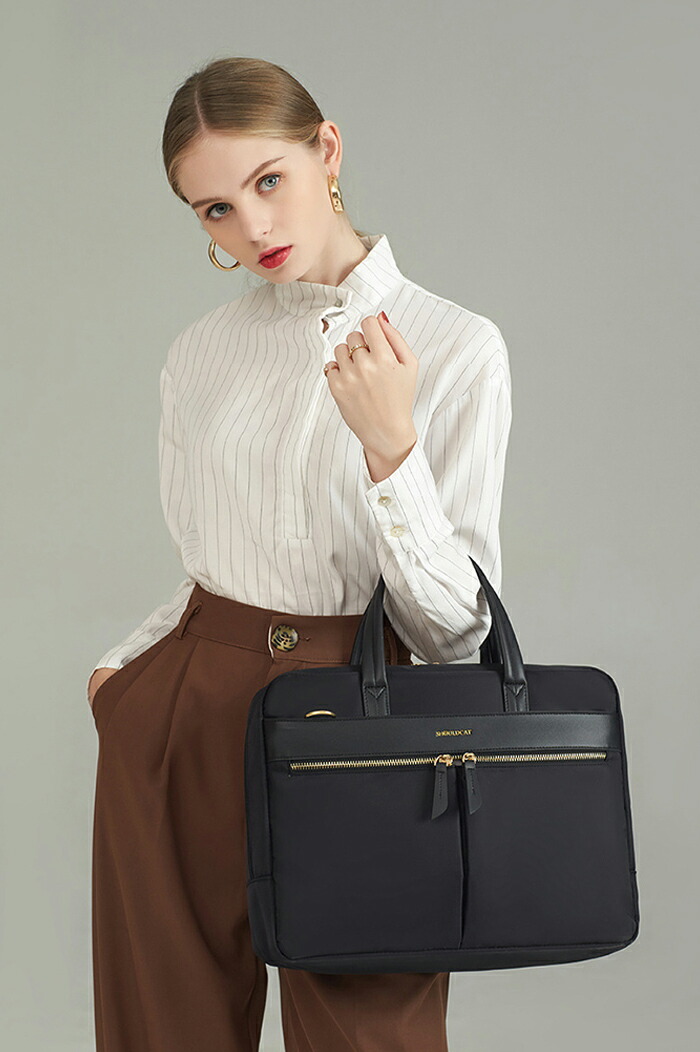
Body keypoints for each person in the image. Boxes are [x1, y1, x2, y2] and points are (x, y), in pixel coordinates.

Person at [87, 56, 512, 1052]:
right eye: (215, 210)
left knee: (370, 1032)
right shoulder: (201, 353)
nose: (252, 228)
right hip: (187, 710)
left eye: (267, 180)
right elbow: (208, 560)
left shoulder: (455, 348)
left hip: (362, 715)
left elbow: (454, 631)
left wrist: (391, 447)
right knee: (163, 1031)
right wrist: (123, 679)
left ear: (327, 150)